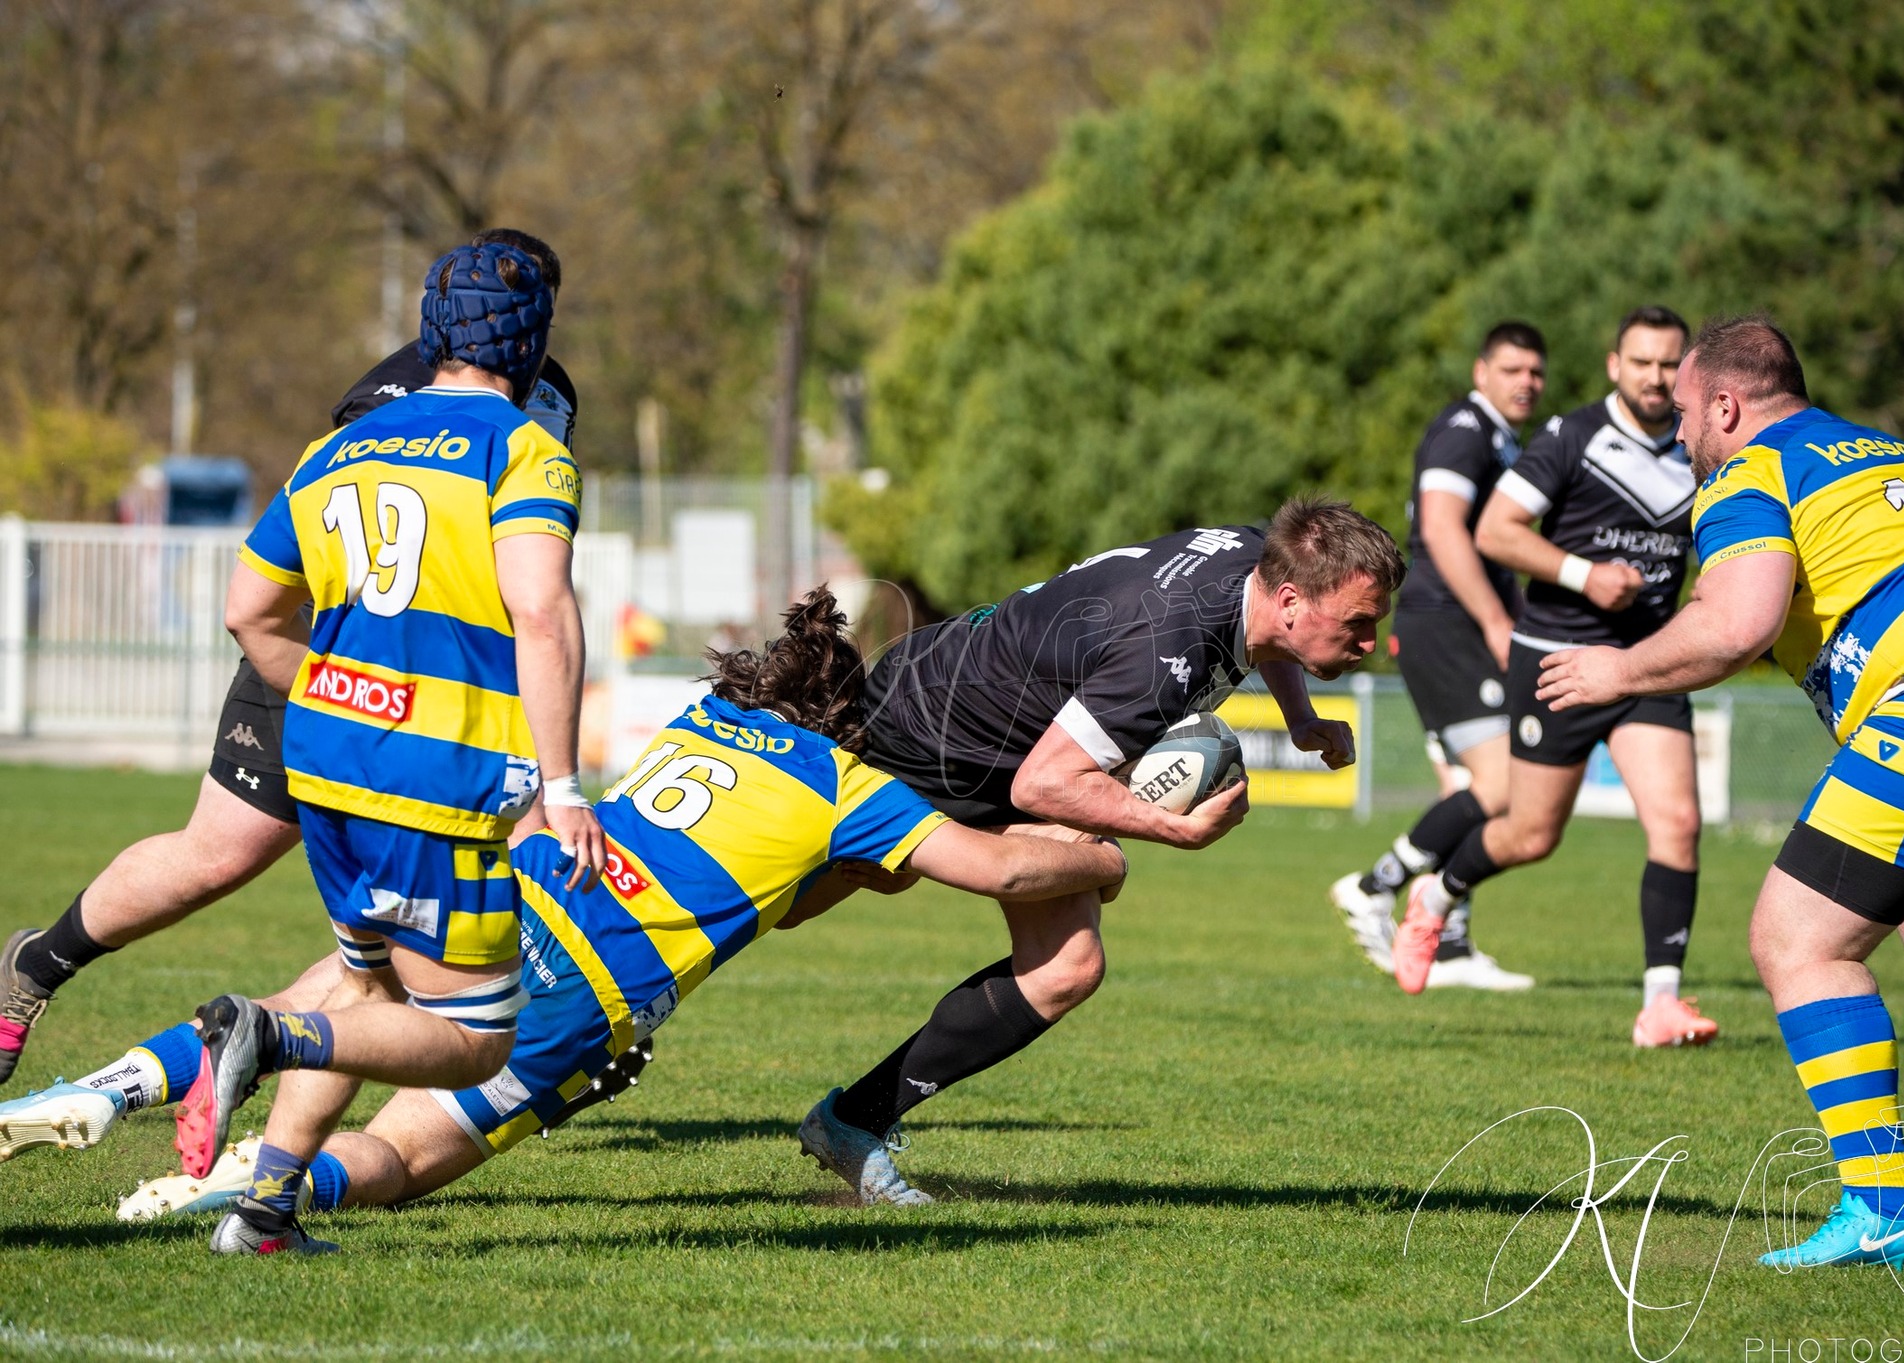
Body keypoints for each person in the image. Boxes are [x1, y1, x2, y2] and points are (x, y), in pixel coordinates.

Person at [0, 592, 1132, 1243]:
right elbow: (993, 867)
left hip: (520, 893)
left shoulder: (702, 720)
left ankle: (102, 1088)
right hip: (592, 987)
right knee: (403, 1153)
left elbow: (783, 890)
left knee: (338, 991)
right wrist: (1103, 852)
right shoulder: (847, 786)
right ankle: (229, 1187)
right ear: (848, 722)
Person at [0, 228, 579, 1088]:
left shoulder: (550, 399)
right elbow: (360, 512)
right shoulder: (416, 380)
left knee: (379, 965)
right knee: (218, 856)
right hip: (332, 647)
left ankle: (228, 1121)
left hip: (437, 685)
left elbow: (526, 570)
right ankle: (39, 964)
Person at [1536, 315, 1904, 1265]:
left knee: (1795, 939)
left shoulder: (1750, 471)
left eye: (1685, 412)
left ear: (1727, 406)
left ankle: (1882, 1205)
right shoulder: (1885, 451)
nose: (1680, 433)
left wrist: (1617, 670)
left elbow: (1738, 623)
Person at [172, 238, 603, 1255]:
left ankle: (264, 1210)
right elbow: (541, 615)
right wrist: (565, 786)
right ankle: (265, 1030)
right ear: (531, 344)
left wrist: (339, 695)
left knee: (369, 986)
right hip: (434, 780)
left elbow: (248, 611)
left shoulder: (338, 448)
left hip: (323, 763)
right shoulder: (523, 450)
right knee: (473, 1039)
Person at [796, 496, 1403, 1203]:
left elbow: (1270, 639)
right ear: (1292, 599)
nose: (1370, 643)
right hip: (921, 735)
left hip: (991, 736)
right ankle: (664, 972)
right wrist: (1176, 830)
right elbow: (1045, 784)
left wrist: (1298, 717)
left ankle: (853, 1121)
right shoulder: (1165, 653)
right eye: (1358, 624)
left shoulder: (1259, 558)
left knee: (1066, 966)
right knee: (782, 904)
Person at [1394, 307, 1715, 1047]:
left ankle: (1661, 1004)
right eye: (1642, 362)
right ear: (1615, 366)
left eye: (1669, 363)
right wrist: (1584, 575)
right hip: (1558, 660)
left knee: (1678, 823)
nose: (1656, 377)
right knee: (1532, 834)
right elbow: (1493, 531)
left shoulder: (1703, 450)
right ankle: (1436, 896)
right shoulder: (1572, 436)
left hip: (1647, 660)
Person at [1330, 322, 1545, 990]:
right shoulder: (1465, 430)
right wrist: (1496, 621)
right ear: (1481, 372)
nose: (1526, 382)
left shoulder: (1500, 439)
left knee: (1473, 790)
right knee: (1504, 785)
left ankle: (1448, 943)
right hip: (1447, 623)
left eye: (1535, 372)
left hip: (1454, 623)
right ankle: (1376, 884)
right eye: (1512, 369)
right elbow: (1441, 526)